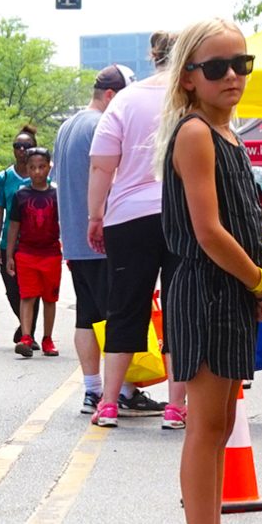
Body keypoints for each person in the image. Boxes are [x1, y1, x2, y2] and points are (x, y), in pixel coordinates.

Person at [158, 18, 262, 524]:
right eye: (217, 67)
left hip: (227, 291)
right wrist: (261, 282)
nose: (233, 76)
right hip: (207, 291)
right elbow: (208, 232)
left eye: (243, 63)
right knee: (207, 427)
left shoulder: (225, 133)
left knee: (217, 425)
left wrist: (256, 286)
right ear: (188, 77)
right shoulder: (195, 133)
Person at [89, 32, 192, 429]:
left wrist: (95, 215)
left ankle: (110, 404)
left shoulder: (125, 100)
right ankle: (175, 407)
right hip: (183, 215)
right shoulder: (191, 98)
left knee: (125, 310)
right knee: (179, 309)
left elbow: (102, 165)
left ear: (153, 56)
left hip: (128, 218)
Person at [57, 65, 144, 408]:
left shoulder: (68, 126)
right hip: (103, 238)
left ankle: (92, 389)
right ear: (111, 96)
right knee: (118, 318)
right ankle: (122, 392)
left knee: (87, 317)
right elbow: (111, 175)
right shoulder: (102, 125)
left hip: (76, 241)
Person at [3, 148, 66, 356]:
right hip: (27, 254)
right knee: (27, 296)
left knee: (50, 298)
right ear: (26, 169)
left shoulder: (57, 194)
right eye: (32, 168)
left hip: (51, 254)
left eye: (41, 167)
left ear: (49, 167)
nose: (37, 172)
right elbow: (14, 225)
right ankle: (26, 337)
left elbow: (64, 222)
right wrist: (9, 254)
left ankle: (47, 339)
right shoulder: (20, 195)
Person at [0, 126, 39, 343]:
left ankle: (28, 334)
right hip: (8, 243)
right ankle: (25, 326)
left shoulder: (39, 177)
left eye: (26, 146)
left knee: (33, 291)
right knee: (13, 291)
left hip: (33, 242)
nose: (21, 150)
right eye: (17, 146)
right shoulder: (4, 177)